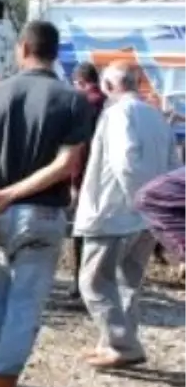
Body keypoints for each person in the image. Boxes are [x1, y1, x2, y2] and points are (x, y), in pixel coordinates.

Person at [0, 20, 91, 387]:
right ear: (55, 53)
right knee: (23, 310)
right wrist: (11, 196)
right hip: (41, 217)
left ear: (22, 49)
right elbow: (66, 165)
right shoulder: (72, 101)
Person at [74, 61, 178, 369]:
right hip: (146, 218)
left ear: (107, 87)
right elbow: (174, 164)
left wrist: (141, 198)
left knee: (92, 282)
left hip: (114, 213)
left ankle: (123, 344)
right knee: (127, 282)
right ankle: (112, 342)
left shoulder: (118, 114)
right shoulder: (156, 116)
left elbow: (125, 162)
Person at [67, 61, 108, 300]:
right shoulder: (110, 104)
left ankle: (79, 282)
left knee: (81, 231)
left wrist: (74, 182)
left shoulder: (85, 104)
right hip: (108, 177)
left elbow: (80, 148)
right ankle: (98, 280)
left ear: (81, 82)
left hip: (87, 178)